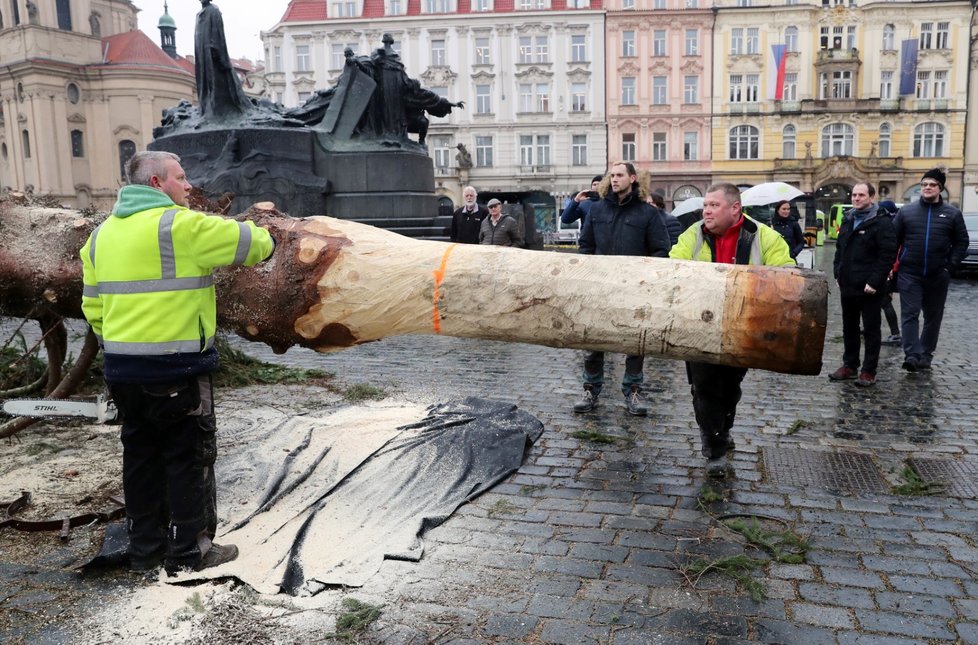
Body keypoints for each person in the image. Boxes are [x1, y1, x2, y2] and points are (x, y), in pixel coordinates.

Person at [80, 151, 275, 574]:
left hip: (123, 372)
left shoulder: (100, 237)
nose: (188, 186)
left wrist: (122, 346)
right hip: (178, 370)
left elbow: (92, 308)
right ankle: (189, 552)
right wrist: (271, 231)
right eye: (181, 177)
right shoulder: (182, 226)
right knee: (187, 458)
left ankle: (145, 551)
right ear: (156, 184)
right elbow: (256, 246)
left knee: (140, 458)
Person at [669, 183, 793, 464]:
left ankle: (723, 429)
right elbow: (674, 266)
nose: (707, 211)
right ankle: (713, 447)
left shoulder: (766, 238)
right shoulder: (694, 234)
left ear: (735, 208)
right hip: (699, 324)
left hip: (744, 327)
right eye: (706, 205)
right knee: (703, 385)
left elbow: (786, 275)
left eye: (714, 205)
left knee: (729, 386)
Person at [574, 162, 672, 416]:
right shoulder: (596, 210)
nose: (614, 179)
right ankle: (590, 389)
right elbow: (585, 246)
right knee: (594, 341)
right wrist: (587, 275)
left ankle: (633, 390)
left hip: (634, 290)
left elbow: (661, 249)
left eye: (619, 175)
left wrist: (647, 278)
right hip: (600, 287)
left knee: (635, 343)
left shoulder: (647, 214)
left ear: (632, 178)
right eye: (612, 175)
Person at [893, 168, 969, 371]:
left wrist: (949, 266)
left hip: (937, 274)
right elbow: (893, 240)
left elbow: (961, 242)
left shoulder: (952, 214)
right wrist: (893, 265)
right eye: (924, 184)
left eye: (932, 185)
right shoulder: (906, 212)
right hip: (910, 273)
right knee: (910, 314)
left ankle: (926, 354)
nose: (927, 187)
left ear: (940, 189)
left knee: (933, 317)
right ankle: (912, 354)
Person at [828, 183, 897, 387]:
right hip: (848, 283)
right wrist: (837, 272)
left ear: (871, 197)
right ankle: (850, 365)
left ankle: (868, 371)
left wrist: (875, 281)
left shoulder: (882, 222)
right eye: (854, 195)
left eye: (861, 195)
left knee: (871, 329)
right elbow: (840, 248)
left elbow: (887, 255)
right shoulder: (849, 219)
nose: (856, 198)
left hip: (870, 287)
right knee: (849, 327)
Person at [195, 0, 252, 118]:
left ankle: (220, 113)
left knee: (220, 87)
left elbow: (219, 35)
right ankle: (207, 110)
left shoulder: (213, 11)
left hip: (214, 57)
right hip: (203, 58)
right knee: (207, 87)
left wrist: (218, 54)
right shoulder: (199, 15)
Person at [876, 200, 902, 345]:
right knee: (880, 300)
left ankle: (895, 333)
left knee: (885, 301)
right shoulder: (889, 223)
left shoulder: (891, 226)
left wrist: (891, 267)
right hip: (888, 268)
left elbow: (894, 250)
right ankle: (872, 327)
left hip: (889, 269)